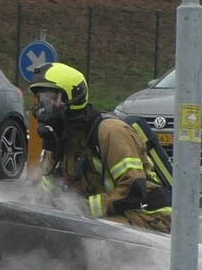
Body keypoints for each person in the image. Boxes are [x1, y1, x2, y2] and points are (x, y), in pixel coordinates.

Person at [29, 62, 172, 234]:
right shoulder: (60, 140)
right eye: (42, 100)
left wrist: (80, 208)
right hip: (108, 218)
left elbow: (133, 190)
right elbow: (46, 192)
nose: (44, 108)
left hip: (147, 217)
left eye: (51, 99)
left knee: (80, 236)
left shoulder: (111, 132)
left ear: (74, 96)